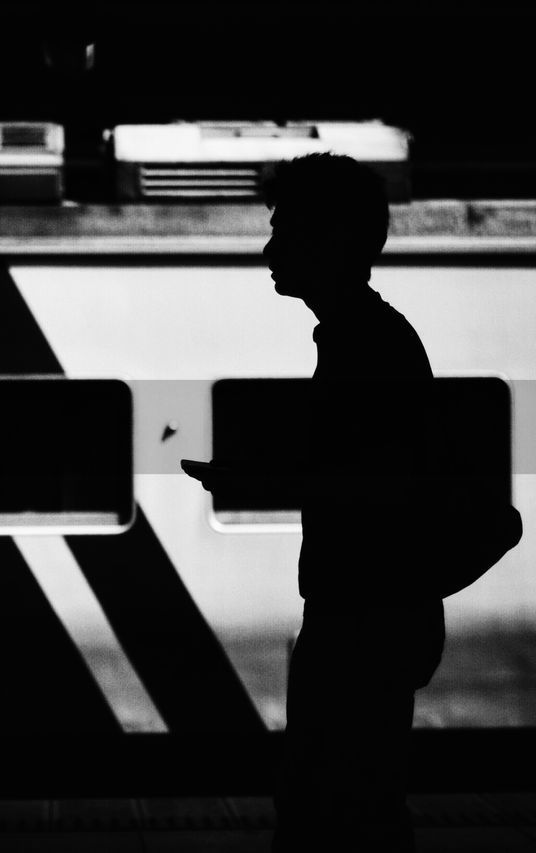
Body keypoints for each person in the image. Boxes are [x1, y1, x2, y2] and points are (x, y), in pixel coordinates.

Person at [191, 153, 445, 852]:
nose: (270, 250)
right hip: (371, 615)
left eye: (285, 231)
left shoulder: (364, 349)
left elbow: (363, 490)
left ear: (329, 240)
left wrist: (256, 482)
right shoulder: (367, 340)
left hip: (361, 620)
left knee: (333, 810)